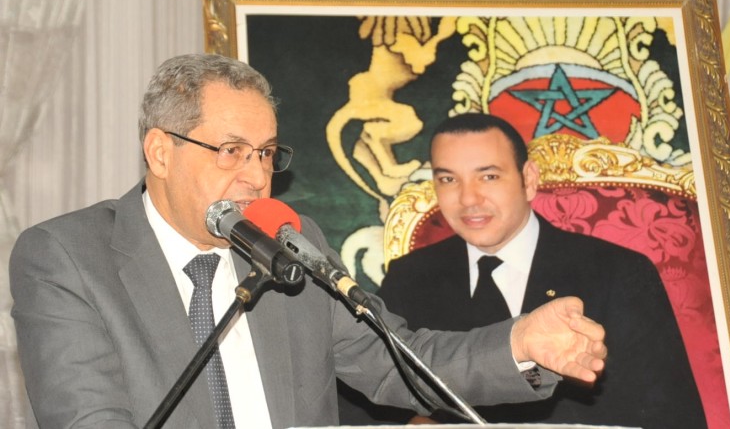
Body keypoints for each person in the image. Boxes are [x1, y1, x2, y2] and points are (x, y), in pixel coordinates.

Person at [9, 54, 607, 429]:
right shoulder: (67, 258)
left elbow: (394, 360)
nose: (255, 176)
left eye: (266, 153)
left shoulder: (288, 242)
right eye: (231, 151)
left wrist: (520, 343)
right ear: (161, 153)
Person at [350, 113, 705, 428]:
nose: (468, 199)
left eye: (488, 176)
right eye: (448, 180)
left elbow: (673, 413)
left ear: (529, 179)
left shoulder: (619, 272)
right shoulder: (410, 277)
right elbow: (363, 400)